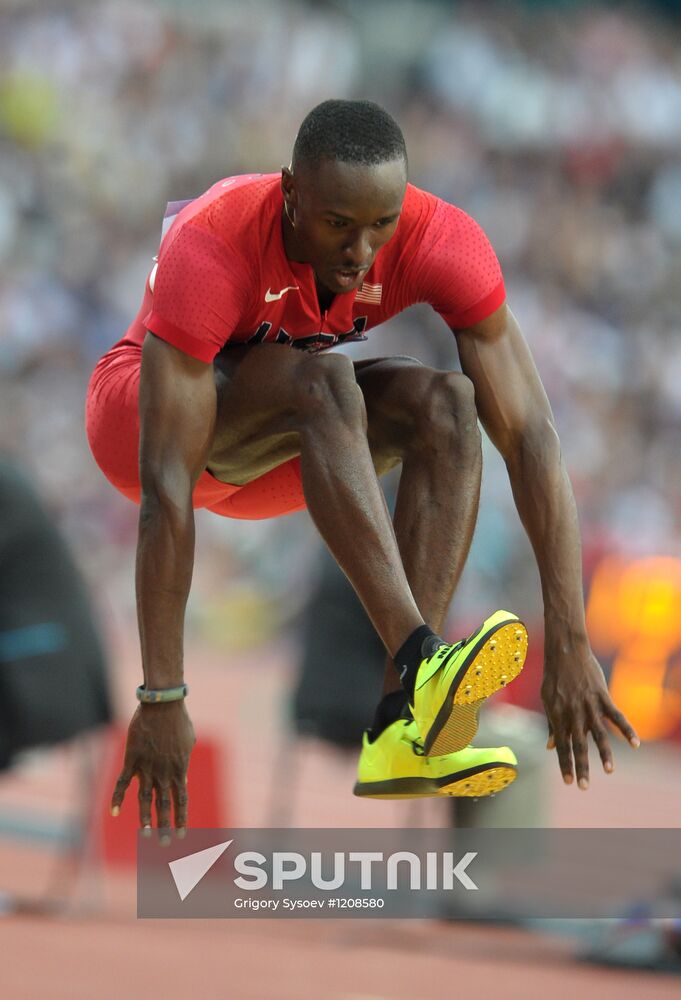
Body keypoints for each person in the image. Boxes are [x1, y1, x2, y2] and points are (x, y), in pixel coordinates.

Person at [86, 99, 639, 832]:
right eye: (337, 224)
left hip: (283, 451)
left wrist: (568, 641)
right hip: (141, 430)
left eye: (380, 225)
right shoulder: (213, 240)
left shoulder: (442, 242)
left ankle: (400, 729)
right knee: (326, 380)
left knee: (447, 403)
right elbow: (163, 492)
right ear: (289, 193)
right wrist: (162, 695)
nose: (360, 251)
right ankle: (423, 660)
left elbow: (532, 436)